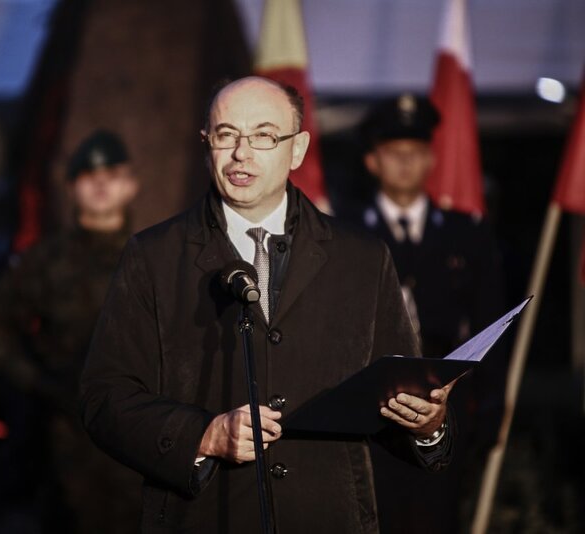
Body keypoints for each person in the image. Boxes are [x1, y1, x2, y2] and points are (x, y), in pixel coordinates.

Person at [79, 77, 457, 533]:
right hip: (204, 517)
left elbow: (396, 394)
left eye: (262, 135)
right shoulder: (154, 256)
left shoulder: (361, 257)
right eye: (226, 135)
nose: (242, 153)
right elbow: (106, 398)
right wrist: (206, 434)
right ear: (206, 144)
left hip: (328, 517)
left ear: (297, 149)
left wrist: (427, 425)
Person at [341, 94, 506, 533]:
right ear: (372, 161)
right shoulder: (345, 232)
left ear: (431, 159)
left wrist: (490, 409)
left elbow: (490, 323)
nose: (405, 164)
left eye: (414, 153)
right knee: (376, 517)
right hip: (372, 406)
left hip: (444, 402)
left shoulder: (465, 233)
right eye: (394, 154)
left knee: (438, 516)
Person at [0, 129, 142, 533]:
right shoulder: (44, 261)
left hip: (141, 440)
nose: (100, 183)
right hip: (66, 445)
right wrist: (39, 382)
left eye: (112, 173)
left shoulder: (155, 257)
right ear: (70, 186)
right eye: (88, 174)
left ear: (132, 184)